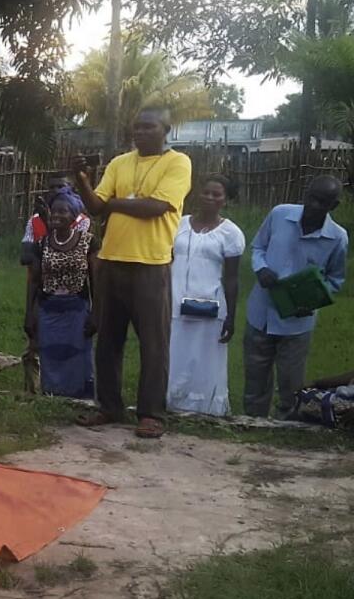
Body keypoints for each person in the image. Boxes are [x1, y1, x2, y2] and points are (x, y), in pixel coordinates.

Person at [72, 107, 192, 439]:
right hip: (111, 262)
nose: (140, 132)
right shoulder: (119, 163)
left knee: (154, 343)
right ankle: (109, 406)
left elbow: (157, 207)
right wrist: (81, 181)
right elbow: (95, 207)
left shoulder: (177, 163)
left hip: (151, 265)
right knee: (108, 340)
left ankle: (151, 413)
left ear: (166, 128)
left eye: (149, 127)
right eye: (137, 127)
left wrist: (113, 203)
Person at [243, 175, 348, 418]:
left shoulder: (337, 237)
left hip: (297, 322)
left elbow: (335, 279)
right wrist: (261, 269)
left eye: (322, 202)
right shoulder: (280, 214)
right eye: (311, 198)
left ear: (334, 206)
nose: (314, 205)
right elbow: (258, 247)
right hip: (261, 312)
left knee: (291, 382)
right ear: (305, 194)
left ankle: (287, 424)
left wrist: (312, 301)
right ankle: (252, 421)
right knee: (255, 374)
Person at [167, 174, 246, 416]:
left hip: (210, 305)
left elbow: (231, 278)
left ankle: (205, 408)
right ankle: (170, 403)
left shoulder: (231, 233)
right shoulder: (178, 224)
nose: (210, 198)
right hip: (174, 301)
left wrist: (231, 317)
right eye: (206, 192)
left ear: (225, 200)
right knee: (174, 354)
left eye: (217, 194)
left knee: (204, 358)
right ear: (198, 194)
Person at [19, 174, 91, 393]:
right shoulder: (36, 225)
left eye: (62, 187)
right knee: (47, 352)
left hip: (76, 305)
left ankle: (78, 393)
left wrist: (49, 221)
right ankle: (49, 393)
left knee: (76, 352)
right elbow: (25, 257)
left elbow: (75, 251)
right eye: (53, 188)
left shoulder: (85, 227)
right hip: (47, 302)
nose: (56, 191)